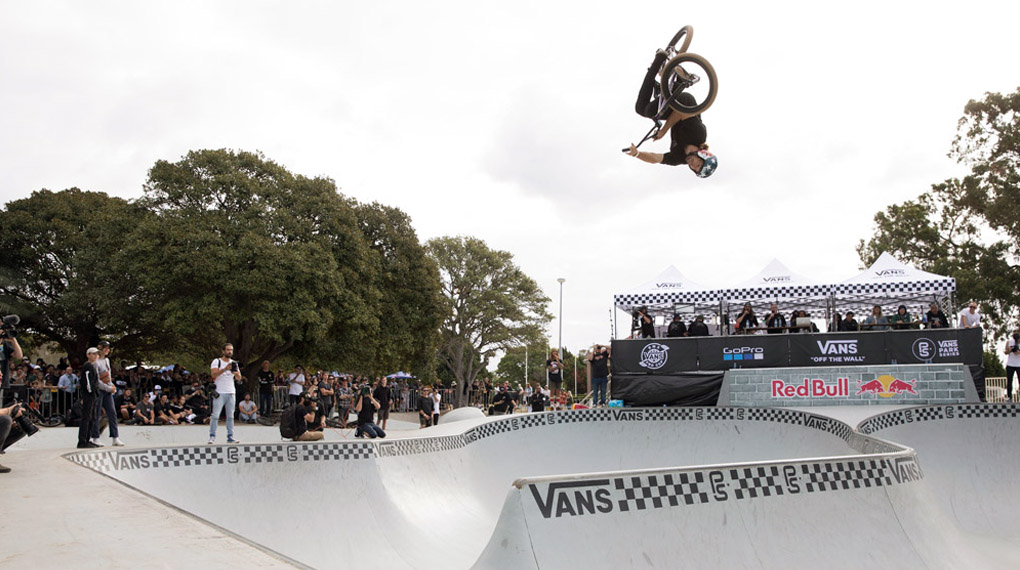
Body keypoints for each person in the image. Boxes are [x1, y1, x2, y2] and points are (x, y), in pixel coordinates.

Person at [626, 50, 718, 178]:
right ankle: (678, 80)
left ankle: (662, 66)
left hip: (674, 113)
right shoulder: (698, 135)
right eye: (698, 165)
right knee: (649, 111)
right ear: (704, 156)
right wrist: (663, 131)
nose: (692, 165)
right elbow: (681, 113)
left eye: (693, 169)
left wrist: (637, 154)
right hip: (684, 103)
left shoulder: (679, 157)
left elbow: (656, 158)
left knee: (641, 109)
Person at [91, 341, 123, 447]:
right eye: (106, 348)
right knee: (97, 414)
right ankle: (95, 437)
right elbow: (97, 380)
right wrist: (108, 388)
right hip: (100, 390)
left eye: (108, 348)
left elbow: (108, 376)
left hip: (107, 390)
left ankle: (115, 437)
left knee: (112, 413)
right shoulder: (96, 362)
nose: (107, 350)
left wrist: (111, 386)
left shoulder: (107, 360)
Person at [208, 343, 241, 444]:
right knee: (216, 415)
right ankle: (212, 436)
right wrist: (224, 369)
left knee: (230, 415)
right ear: (223, 351)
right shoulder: (217, 361)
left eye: (231, 350)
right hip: (220, 391)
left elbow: (239, 378)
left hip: (230, 391)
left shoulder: (234, 363)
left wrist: (235, 373)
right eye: (227, 350)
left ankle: (230, 435)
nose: (229, 352)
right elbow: (213, 374)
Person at [77, 347, 102, 449]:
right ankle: (82, 441)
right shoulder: (87, 366)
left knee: (92, 418)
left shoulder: (92, 366)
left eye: (97, 354)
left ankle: (87, 439)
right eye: (93, 354)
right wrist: (91, 393)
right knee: (86, 418)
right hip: (89, 395)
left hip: (93, 395)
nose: (96, 356)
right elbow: (87, 382)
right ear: (88, 355)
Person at [1004, 332, 1020, 402]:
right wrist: (1009, 350)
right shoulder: (1009, 342)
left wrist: (1018, 351)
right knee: (1009, 381)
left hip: (1019, 365)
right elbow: (1005, 352)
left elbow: (1017, 352)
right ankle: (1009, 396)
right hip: (1010, 364)